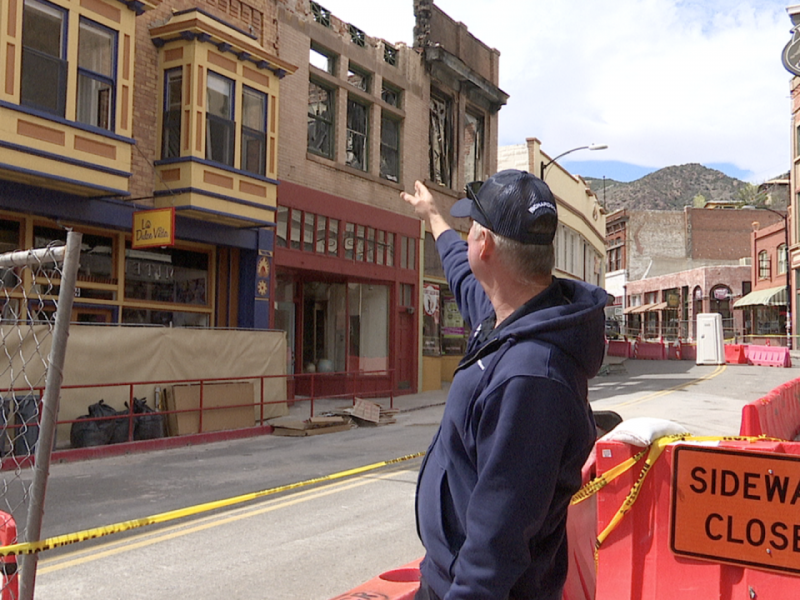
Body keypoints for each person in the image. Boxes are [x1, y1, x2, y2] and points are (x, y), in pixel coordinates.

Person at [400, 170, 608, 600]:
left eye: (472, 229)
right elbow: (460, 273)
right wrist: (434, 218)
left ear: (486, 246)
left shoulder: (532, 379)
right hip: (444, 578)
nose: (468, 238)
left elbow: (496, 546)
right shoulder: (507, 318)